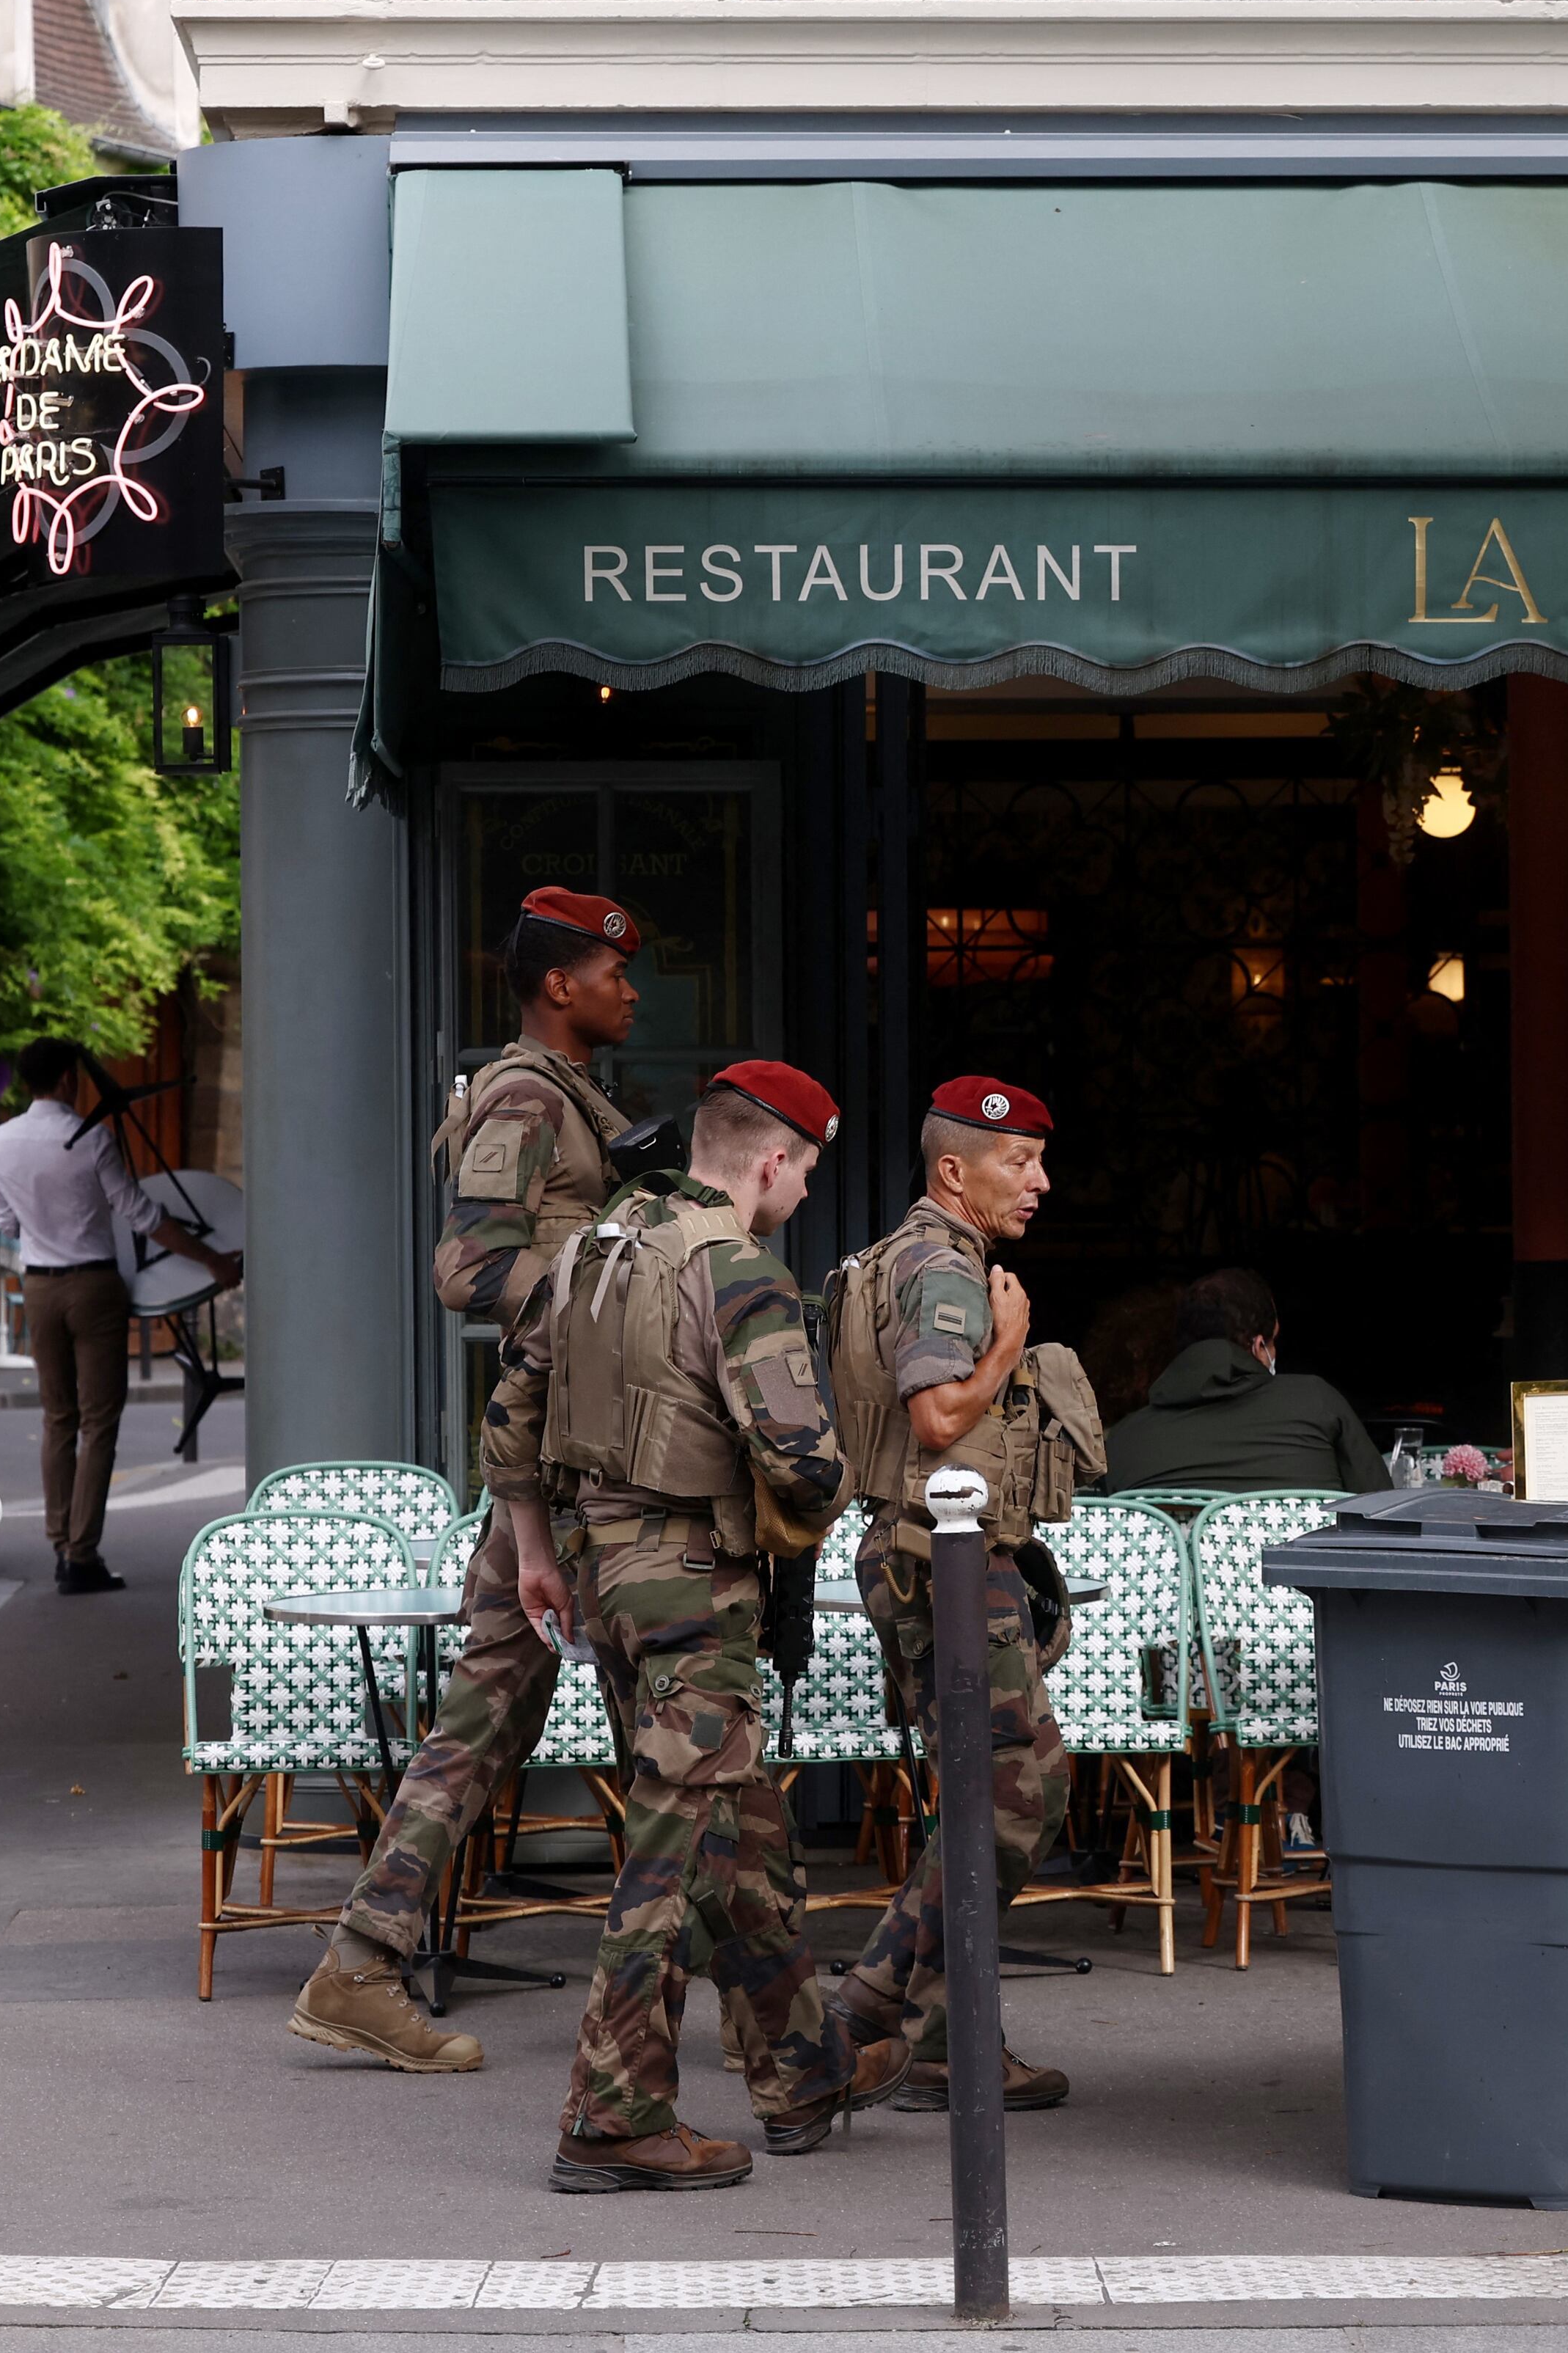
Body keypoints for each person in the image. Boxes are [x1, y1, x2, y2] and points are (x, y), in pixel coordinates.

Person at [491, 1059, 899, 2191]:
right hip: (697, 1587)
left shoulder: (588, 1254)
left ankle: (806, 2069)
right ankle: (613, 2118)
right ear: (770, 1160)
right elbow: (803, 1466)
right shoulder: (738, 1272)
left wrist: (535, 1554)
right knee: (674, 1856)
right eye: (807, 1171)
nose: (807, 1193)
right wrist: (858, 1470)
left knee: (741, 1834)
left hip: (604, 1578)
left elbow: (508, 1418)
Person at [289, 885, 639, 2076]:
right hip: (576, 1452)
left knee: (490, 1715)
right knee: (685, 1727)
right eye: (611, 970)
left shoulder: (563, 1095)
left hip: (554, 1447)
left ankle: (360, 1962)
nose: (630, 989)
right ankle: (774, 2014)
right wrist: (618, 1284)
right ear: (558, 985)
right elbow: (471, 1262)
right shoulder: (532, 1095)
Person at [822, 1076, 1099, 2115]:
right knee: (1028, 1786)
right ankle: (866, 2009)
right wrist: (1009, 1342)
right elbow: (939, 1415)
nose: (1039, 1180)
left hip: (924, 1550)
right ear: (955, 1170)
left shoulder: (903, 1256)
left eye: (1037, 1159)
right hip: (942, 1552)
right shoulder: (946, 1265)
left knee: (976, 1794)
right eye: (1017, 1162)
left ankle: (946, 2044)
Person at [0, 1037, 240, 1595]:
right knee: (98, 1421)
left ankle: (60, 1543)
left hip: (39, 1289)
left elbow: (6, 1224)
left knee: (58, 1417)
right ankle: (82, 1554)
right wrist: (212, 1260)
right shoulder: (90, 1138)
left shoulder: (0, 1143)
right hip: (95, 1286)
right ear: (69, 1080)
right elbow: (143, 1214)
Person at [1102, 1268, 1391, 1495]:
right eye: (1273, 1340)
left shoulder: (1123, 1441)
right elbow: (1383, 1514)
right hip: (1304, 1573)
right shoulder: (1317, 1403)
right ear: (1257, 1346)